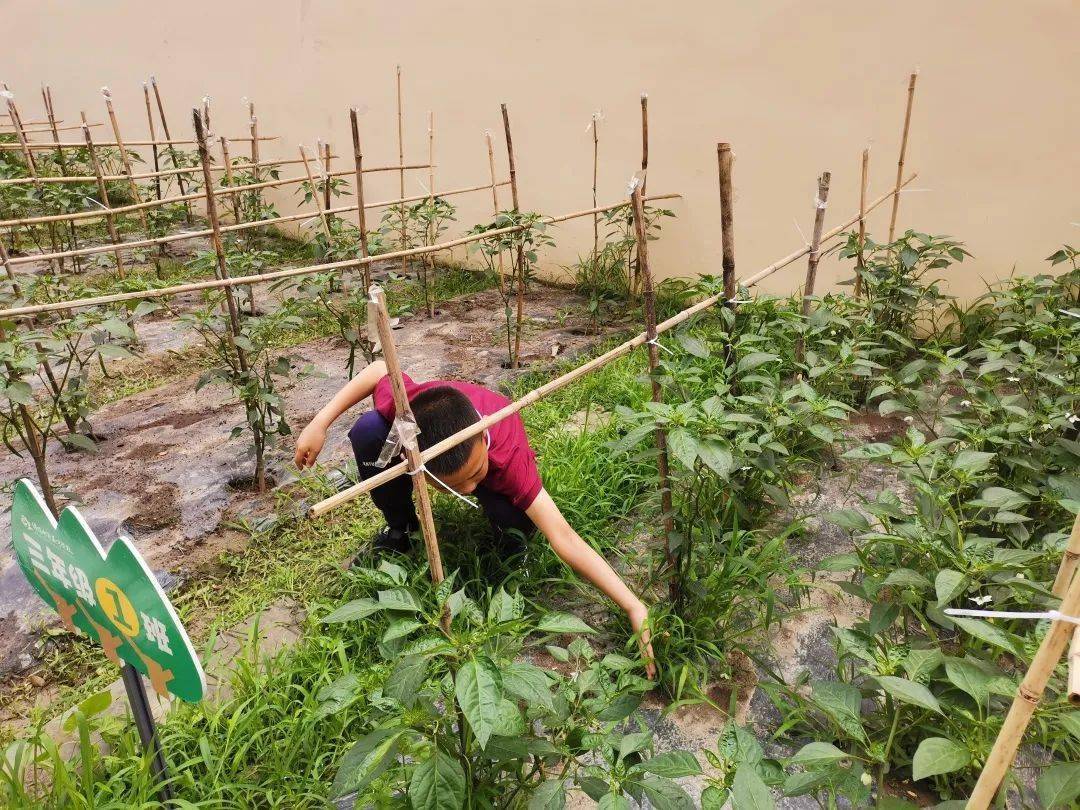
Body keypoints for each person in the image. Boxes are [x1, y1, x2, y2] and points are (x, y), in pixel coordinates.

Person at [294, 359, 655, 677]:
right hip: (436, 437)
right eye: (455, 484)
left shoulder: (506, 454)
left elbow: (564, 536)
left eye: (474, 474)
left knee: (510, 514)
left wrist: (632, 604)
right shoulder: (412, 412)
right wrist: (320, 422)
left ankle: (512, 547)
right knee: (369, 431)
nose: (467, 489)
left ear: (483, 439)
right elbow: (379, 370)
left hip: (499, 463)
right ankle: (401, 527)